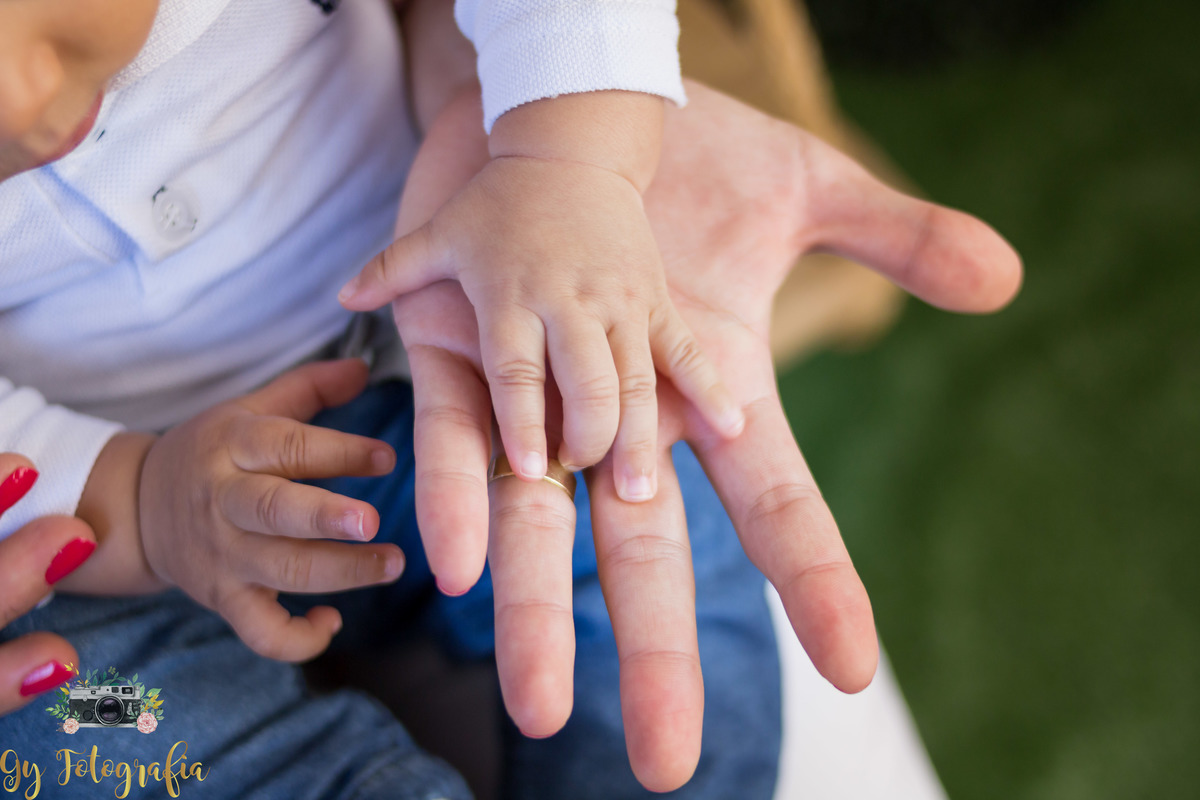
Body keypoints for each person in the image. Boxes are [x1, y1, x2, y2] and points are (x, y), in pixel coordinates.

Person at [0, 0, 1022, 797]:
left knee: (650, 571)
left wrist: (565, 150)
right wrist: (134, 501)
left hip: (449, 362)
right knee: (88, 721)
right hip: (92, 560)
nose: (20, 99)